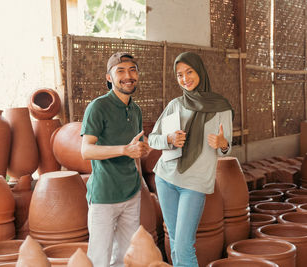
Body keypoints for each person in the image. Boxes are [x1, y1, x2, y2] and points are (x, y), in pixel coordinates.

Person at [148, 51, 233, 266]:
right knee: (176, 243)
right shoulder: (175, 104)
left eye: (189, 72)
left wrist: (222, 143)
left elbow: (227, 147)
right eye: (179, 75)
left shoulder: (221, 107)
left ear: (200, 72)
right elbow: (152, 139)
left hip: (194, 184)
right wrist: (169, 139)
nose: (185, 78)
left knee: (184, 245)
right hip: (165, 178)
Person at [80, 52, 150, 267]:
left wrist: (142, 150)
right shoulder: (98, 107)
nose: (128, 75)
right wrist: (124, 150)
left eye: (132, 70)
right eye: (120, 71)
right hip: (104, 195)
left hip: (131, 192)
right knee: (99, 257)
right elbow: (86, 151)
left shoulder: (135, 109)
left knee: (127, 256)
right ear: (109, 78)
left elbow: (136, 147)